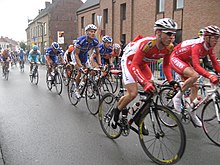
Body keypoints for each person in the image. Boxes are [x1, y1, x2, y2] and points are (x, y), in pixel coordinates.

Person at [111, 18, 178, 134]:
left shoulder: (169, 47)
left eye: (174, 34)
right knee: (132, 93)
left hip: (142, 64)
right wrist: (144, 83)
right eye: (169, 33)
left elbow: (166, 66)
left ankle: (138, 118)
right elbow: (134, 65)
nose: (172, 37)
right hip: (130, 61)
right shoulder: (148, 44)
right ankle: (116, 112)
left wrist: (171, 81)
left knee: (152, 92)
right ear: (158, 32)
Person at [170, 25, 220, 127]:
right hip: (176, 58)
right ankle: (177, 97)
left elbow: (215, 64)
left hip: (185, 61)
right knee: (195, 75)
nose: (216, 41)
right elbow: (197, 66)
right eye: (215, 38)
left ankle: (192, 112)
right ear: (207, 38)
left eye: (218, 38)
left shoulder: (209, 47)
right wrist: (210, 76)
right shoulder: (197, 45)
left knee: (195, 86)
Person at [71, 24, 101, 98]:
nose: (93, 33)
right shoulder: (81, 40)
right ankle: (76, 88)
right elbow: (76, 55)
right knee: (80, 71)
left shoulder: (95, 41)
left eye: (94, 31)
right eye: (91, 31)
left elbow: (97, 53)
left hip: (84, 56)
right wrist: (80, 66)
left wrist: (100, 64)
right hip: (76, 56)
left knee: (90, 71)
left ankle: (82, 84)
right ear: (87, 32)